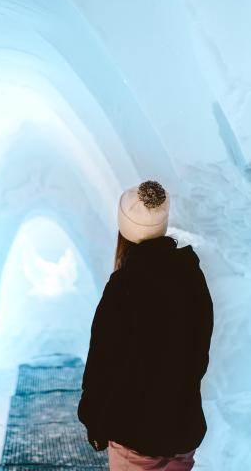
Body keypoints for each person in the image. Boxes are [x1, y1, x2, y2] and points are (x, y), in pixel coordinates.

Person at [77, 180, 214, 471]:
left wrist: (94, 421)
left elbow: (103, 362)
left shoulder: (124, 286)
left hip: (135, 434)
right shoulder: (191, 276)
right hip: (182, 427)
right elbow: (199, 352)